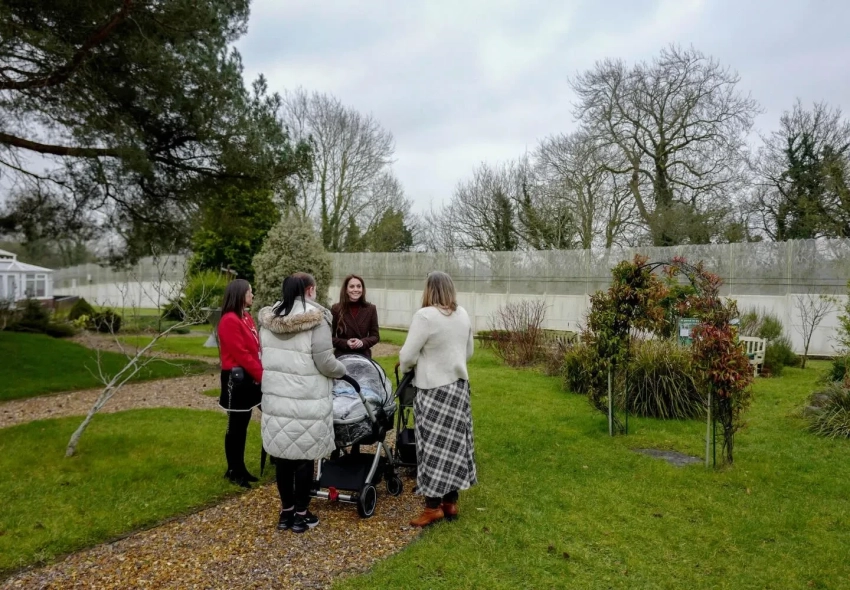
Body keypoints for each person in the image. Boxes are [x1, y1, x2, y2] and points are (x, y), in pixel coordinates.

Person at [257, 273, 346, 534]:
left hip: (277, 399)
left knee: (283, 457)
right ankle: (301, 514)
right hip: (306, 399)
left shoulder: (268, 320)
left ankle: (285, 512)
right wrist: (343, 370)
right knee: (304, 458)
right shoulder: (317, 320)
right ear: (309, 290)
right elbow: (325, 362)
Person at [398, 271, 476, 527]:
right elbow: (468, 352)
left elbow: (407, 356)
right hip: (458, 390)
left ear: (429, 290)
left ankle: (432, 507)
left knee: (431, 448)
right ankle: (450, 502)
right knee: (454, 447)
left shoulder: (425, 316)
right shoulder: (462, 314)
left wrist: (411, 366)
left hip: (433, 391)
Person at [216, 279, 263, 489]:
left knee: (243, 425)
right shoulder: (229, 320)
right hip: (236, 380)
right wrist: (262, 375)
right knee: (235, 426)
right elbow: (241, 354)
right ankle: (234, 470)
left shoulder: (245, 317)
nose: (252, 295)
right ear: (239, 295)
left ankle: (240, 467)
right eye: (249, 292)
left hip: (248, 377)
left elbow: (254, 349)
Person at [331, 274, 380, 358]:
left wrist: (363, 342)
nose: (356, 289)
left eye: (359, 286)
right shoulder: (336, 309)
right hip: (342, 356)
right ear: (346, 290)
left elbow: (375, 336)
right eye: (352, 286)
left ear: (362, 289)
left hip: (363, 356)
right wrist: (345, 343)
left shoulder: (371, 309)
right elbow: (328, 338)